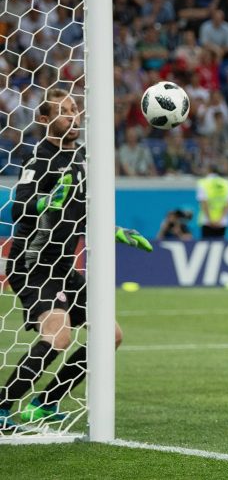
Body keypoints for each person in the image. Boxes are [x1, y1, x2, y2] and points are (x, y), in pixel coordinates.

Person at [0, 89, 152, 431]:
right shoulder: (40, 157)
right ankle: (3, 406)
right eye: (64, 111)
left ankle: (45, 402)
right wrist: (46, 201)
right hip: (33, 262)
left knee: (110, 335)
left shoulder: (81, 157)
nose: (74, 117)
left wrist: (114, 230)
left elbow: (81, 211)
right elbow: (18, 208)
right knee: (60, 335)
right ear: (44, 120)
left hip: (64, 266)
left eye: (75, 110)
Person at [196, 166, 228, 239]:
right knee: (220, 247)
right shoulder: (226, 183)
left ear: (208, 170)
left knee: (206, 247)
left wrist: (210, 220)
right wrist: (220, 220)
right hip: (222, 222)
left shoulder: (203, 182)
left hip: (207, 221)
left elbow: (204, 203)